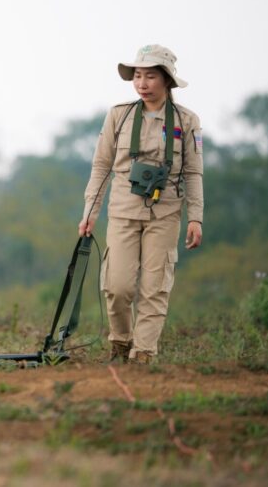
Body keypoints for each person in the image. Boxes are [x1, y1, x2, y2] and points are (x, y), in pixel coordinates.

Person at [79, 45, 204, 364]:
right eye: (137, 76)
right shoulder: (119, 115)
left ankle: (144, 352)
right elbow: (101, 165)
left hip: (166, 213)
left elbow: (193, 172)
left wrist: (196, 217)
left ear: (167, 80)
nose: (142, 83)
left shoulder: (187, 120)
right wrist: (90, 212)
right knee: (117, 286)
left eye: (150, 76)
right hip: (123, 211)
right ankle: (121, 342)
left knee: (154, 287)